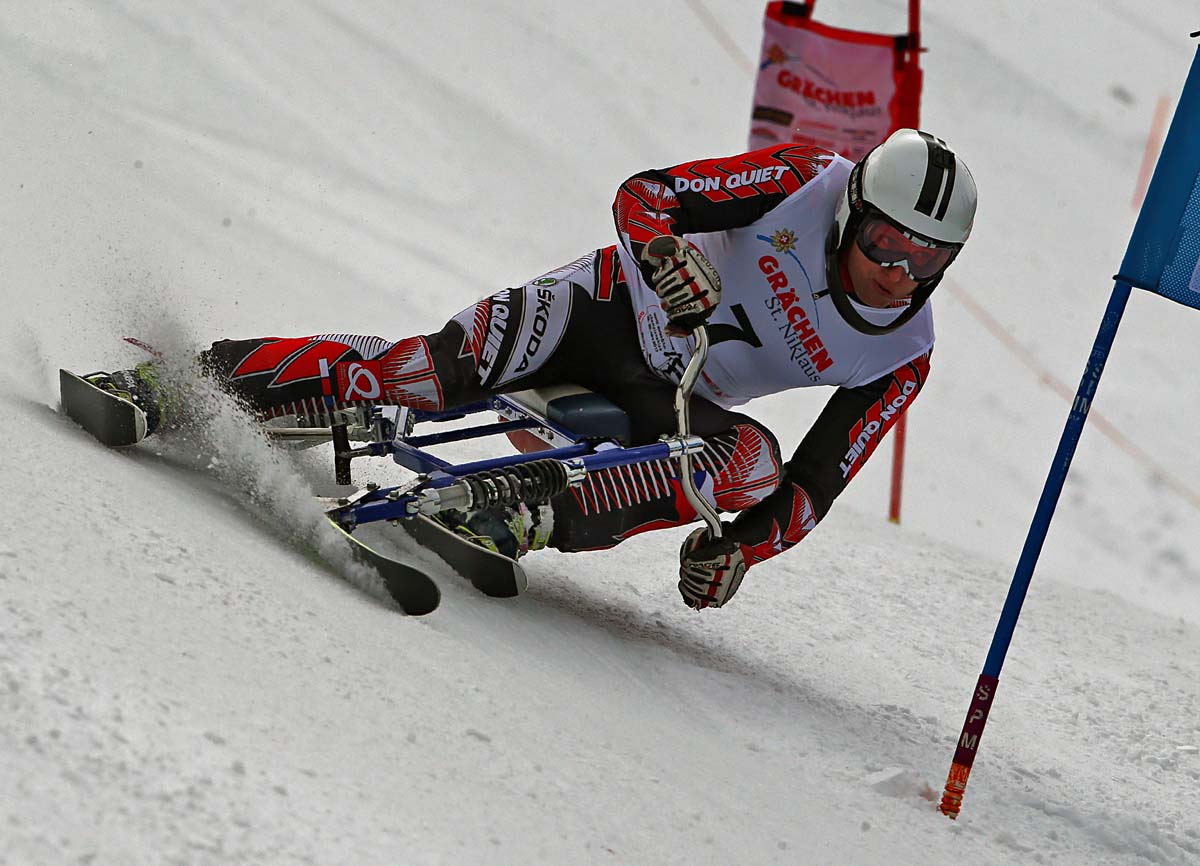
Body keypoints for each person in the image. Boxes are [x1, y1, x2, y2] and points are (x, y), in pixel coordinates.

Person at [85, 128, 977, 610]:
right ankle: (183, 384)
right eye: (884, 241)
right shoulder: (804, 180)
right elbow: (647, 195)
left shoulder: (905, 352)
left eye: (926, 258)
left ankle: (518, 511)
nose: (897, 271)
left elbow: (815, 485)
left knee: (753, 465)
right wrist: (662, 253)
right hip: (601, 311)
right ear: (850, 211)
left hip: (672, 399)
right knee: (421, 376)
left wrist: (739, 551)